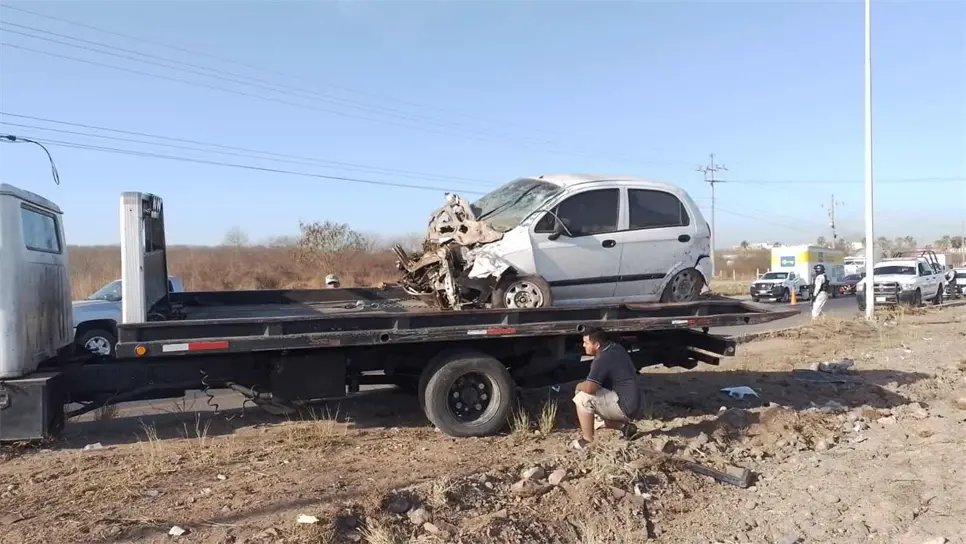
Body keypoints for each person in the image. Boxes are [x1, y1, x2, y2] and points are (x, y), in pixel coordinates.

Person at [571, 327, 640, 450]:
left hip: (623, 407)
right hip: (632, 403)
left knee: (582, 398)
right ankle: (625, 427)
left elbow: (590, 388)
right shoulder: (616, 348)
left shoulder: (602, 359)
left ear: (597, 345)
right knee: (591, 419)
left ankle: (587, 440)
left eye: (586, 343)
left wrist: (578, 386)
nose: (583, 345)